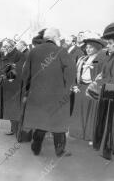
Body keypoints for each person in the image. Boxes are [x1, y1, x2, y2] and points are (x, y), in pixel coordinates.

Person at [21, 28, 76, 157]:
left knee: (41, 120)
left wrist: (28, 90)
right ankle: (60, 150)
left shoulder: (34, 51)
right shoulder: (61, 51)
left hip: (37, 94)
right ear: (56, 37)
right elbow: (71, 71)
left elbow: (25, 74)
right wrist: (66, 87)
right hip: (57, 95)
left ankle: (36, 146)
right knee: (58, 123)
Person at [88, 22, 114, 161]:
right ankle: (110, 148)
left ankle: (110, 149)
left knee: (111, 123)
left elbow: (113, 80)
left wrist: (97, 83)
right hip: (110, 94)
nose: (107, 45)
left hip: (113, 95)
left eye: (109, 43)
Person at [69, 38, 107, 144]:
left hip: (92, 88)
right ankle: (78, 133)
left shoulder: (101, 59)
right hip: (80, 88)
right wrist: (74, 85)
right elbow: (74, 73)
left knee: (91, 112)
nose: (88, 49)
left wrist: (91, 69)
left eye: (91, 47)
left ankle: (89, 135)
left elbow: (103, 75)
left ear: (97, 48)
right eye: (87, 47)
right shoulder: (82, 58)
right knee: (78, 111)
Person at [0, 38, 23, 135]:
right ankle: (13, 129)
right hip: (5, 86)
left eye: (7, 46)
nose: (5, 48)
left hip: (14, 86)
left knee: (15, 109)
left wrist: (7, 76)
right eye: (4, 46)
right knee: (8, 109)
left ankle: (19, 131)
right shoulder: (3, 54)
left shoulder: (18, 54)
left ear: (12, 45)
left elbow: (18, 69)